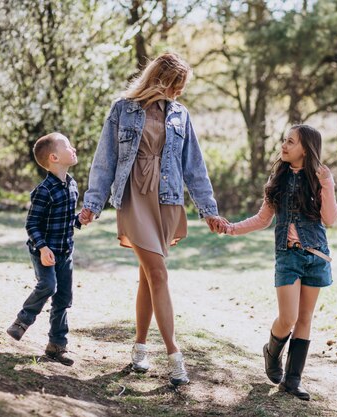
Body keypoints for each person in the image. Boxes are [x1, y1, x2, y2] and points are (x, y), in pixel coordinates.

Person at [79, 52, 228, 386]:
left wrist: (209, 210)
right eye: (178, 85)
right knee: (159, 274)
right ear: (163, 80)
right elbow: (105, 160)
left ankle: (140, 348)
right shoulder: (122, 109)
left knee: (149, 276)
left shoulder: (180, 115)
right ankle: (175, 356)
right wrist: (93, 203)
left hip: (167, 199)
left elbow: (194, 167)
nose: (180, 93)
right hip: (134, 196)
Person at [222, 124, 337, 400]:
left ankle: (292, 380)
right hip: (288, 256)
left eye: (290, 142)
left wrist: (328, 185)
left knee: (305, 318)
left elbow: (330, 219)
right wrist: (231, 228)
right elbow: (263, 219)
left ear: (306, 149)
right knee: (288, 318)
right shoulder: (279, 179)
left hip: (316, 256)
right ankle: (272, 353)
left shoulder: (319, 179)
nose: (284, 146)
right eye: (284, 141)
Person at [7, 132, 82, 366]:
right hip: (44, 251)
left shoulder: (72, 185)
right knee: (48, 285)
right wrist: (42, 248)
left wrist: (82, 219)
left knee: (63, 297)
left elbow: (69, 221)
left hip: (64, 251)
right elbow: (32, 224)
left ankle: (57, 345)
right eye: (68, 147)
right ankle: (22, 321)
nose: (74, 149)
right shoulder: (44, 190)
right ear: (54, 157)